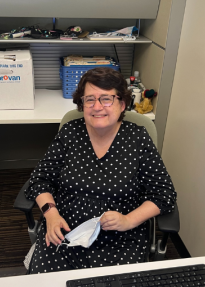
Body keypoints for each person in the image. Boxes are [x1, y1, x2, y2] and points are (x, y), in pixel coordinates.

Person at [25, 67, 177, 274]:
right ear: (82, 104)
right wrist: (50, 213)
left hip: (120, 236)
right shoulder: (70, 133)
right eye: (89, 99)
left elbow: (164, 194)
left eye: (106, 99)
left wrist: (128, 220)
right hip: (66, 231)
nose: (97, 107)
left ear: (122, 104)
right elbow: (39, 180)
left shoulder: (137, 138)